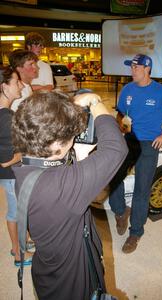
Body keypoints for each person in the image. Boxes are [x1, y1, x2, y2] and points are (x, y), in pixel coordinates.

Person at [11, 90, 128, 300]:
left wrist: (79, 159)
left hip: (48, 274)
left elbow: (54, 170)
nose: (73, 141)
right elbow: (115, 149)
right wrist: (94, 100)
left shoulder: (24, 168)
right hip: (73, 284)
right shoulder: (62, 187)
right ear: (56, 144)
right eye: (71, 137)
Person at [109, 54, 162, 254]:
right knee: (114, 179)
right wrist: (121, 125)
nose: (132, 71)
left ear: (147, 69)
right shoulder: (127, 89)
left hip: (150, 144)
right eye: (131, 67)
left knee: (141, 191)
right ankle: (120, 212)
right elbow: (120, 113)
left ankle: (135, 233)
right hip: (129, 139)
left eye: (135, 67)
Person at [0, 66, 32, 266]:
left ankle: (24, 241)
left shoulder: (6, 114)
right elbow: (5, 160)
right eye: (16, 82)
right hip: (10, 174)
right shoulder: (6, 118)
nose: (21, 85)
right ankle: (17, 252)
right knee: (16, 212)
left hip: (9, 174)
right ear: (4, 87)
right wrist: (28, 151)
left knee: (21, 210)